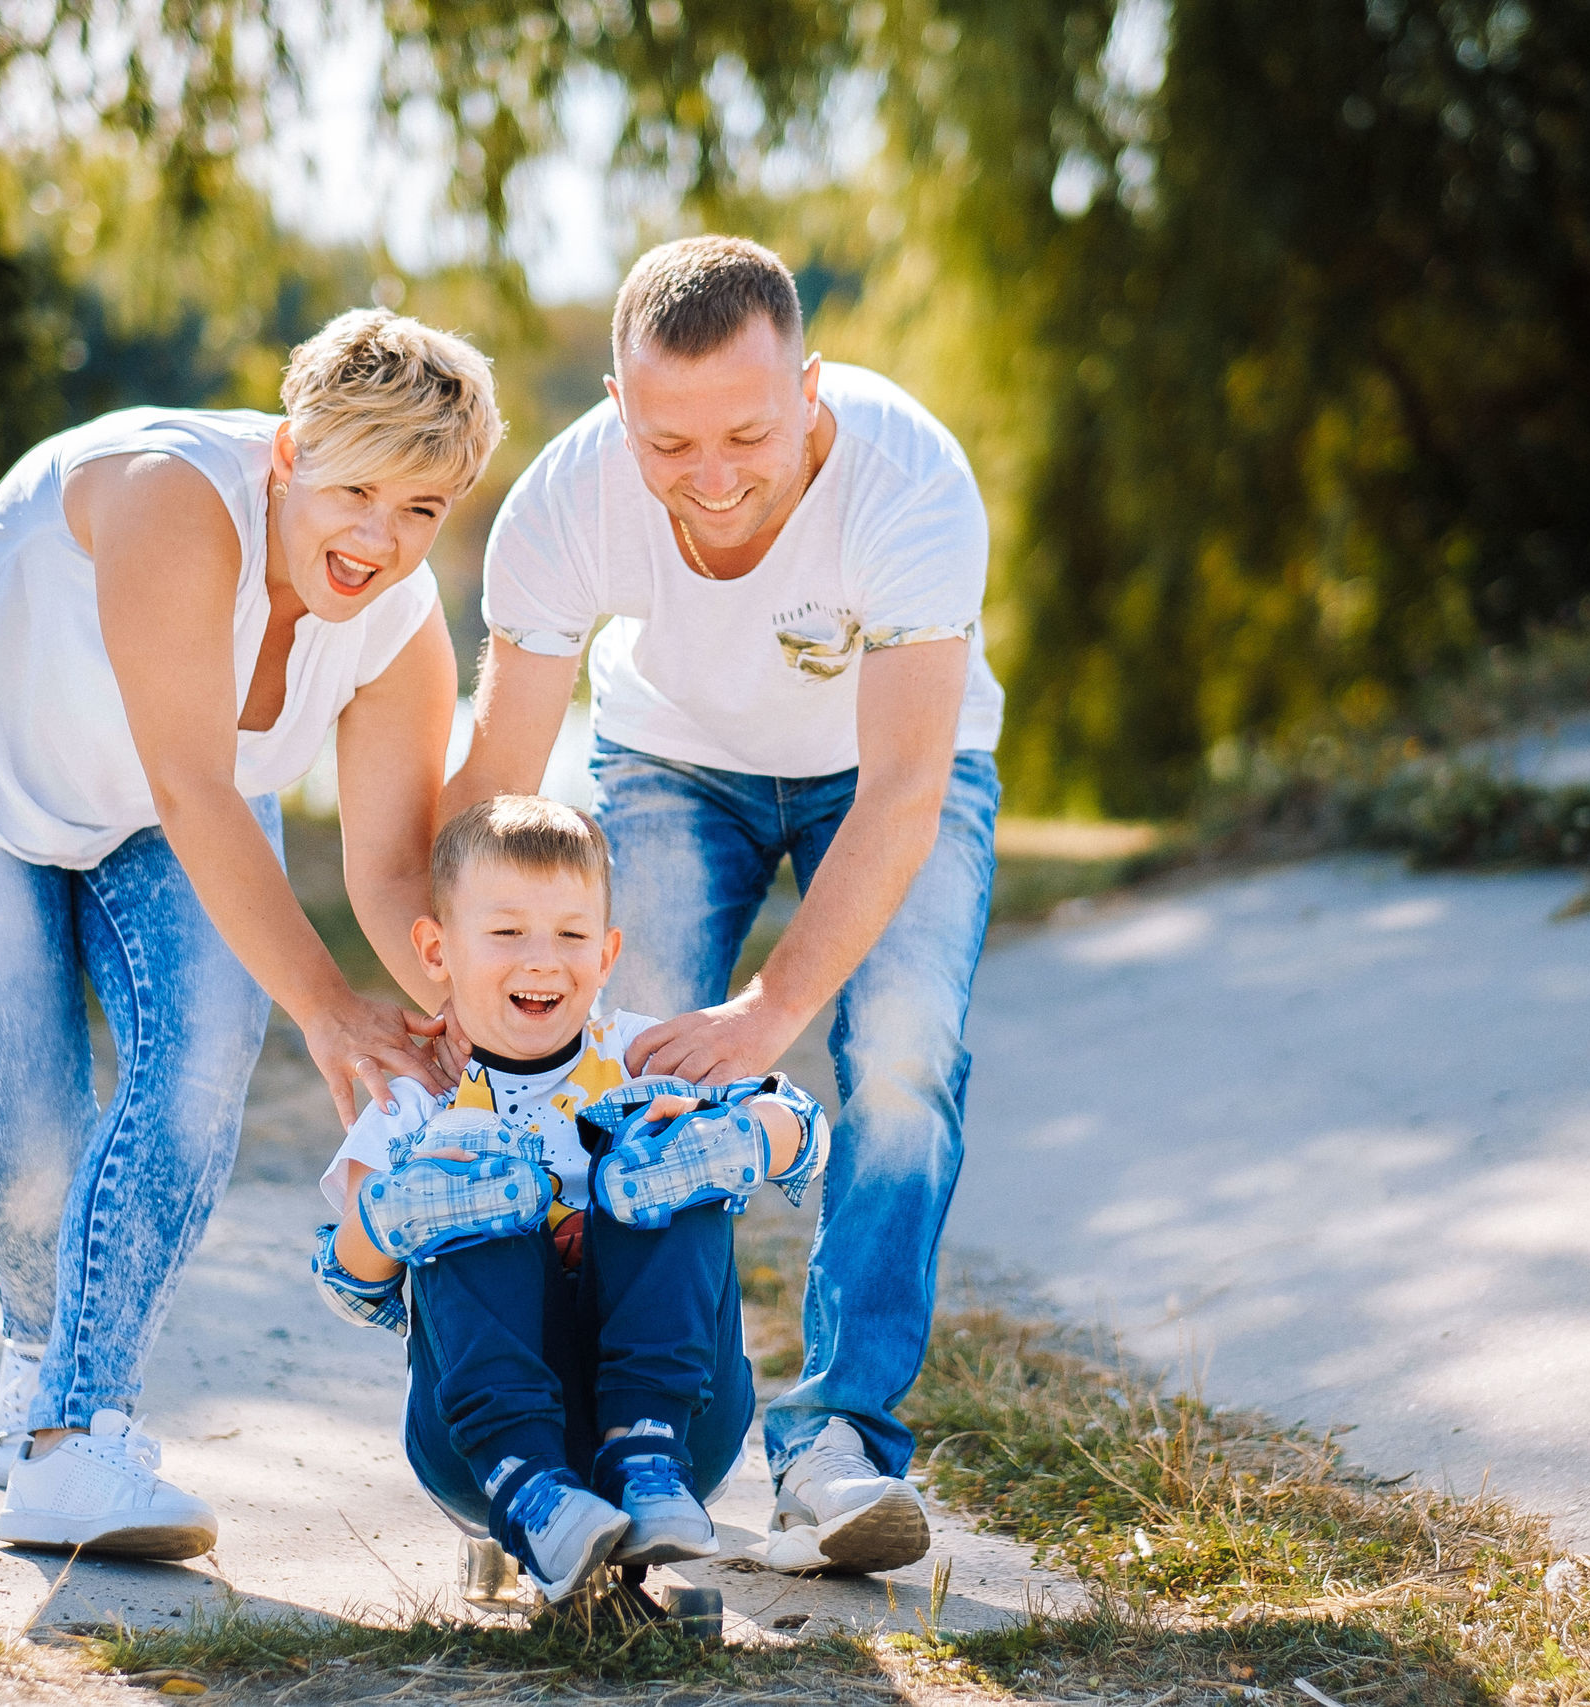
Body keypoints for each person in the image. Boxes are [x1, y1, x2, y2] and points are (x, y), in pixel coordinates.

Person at [0, 309, 502, 1559]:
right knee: (28, 1144)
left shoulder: (398, 625)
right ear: (286, 455)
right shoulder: (171, 495)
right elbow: (201, 789)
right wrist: (326, 1008)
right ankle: (41, 1363)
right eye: (354, 488)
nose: (378, 538)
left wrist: (471, 1019)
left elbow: (390, 868)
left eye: (421, 509)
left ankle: (71, 1438)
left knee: (199, 1069)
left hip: (164, 791)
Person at [441, 236, 1002, 1574]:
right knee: (611, 1065)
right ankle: (576, 1442)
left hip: (883, 770)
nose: (709, 479)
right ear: (618, 406)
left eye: (745, 432)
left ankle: (838, 1435)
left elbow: (908, 783)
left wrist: (772, 1007)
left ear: (809, 390)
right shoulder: (568, 497)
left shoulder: (910, 478)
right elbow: (495, 779)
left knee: (907, 1055)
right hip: (671, 760)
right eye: (666, 442)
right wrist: (444, 985)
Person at [310, 795, 825, 1602]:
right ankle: (534, 1493)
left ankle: (645, 1457)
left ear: (608, 950)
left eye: (572, 934)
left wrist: (741, 1137)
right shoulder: (416, 1099)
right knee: (462, 1180)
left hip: (686, 1417)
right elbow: (347, 1275)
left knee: (666, 1149)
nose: (543, 960)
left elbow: (802, 1125)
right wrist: (397, 1213)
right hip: (478, 1442)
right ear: (436, 948)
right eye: (508, 931)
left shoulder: (642, 1053)